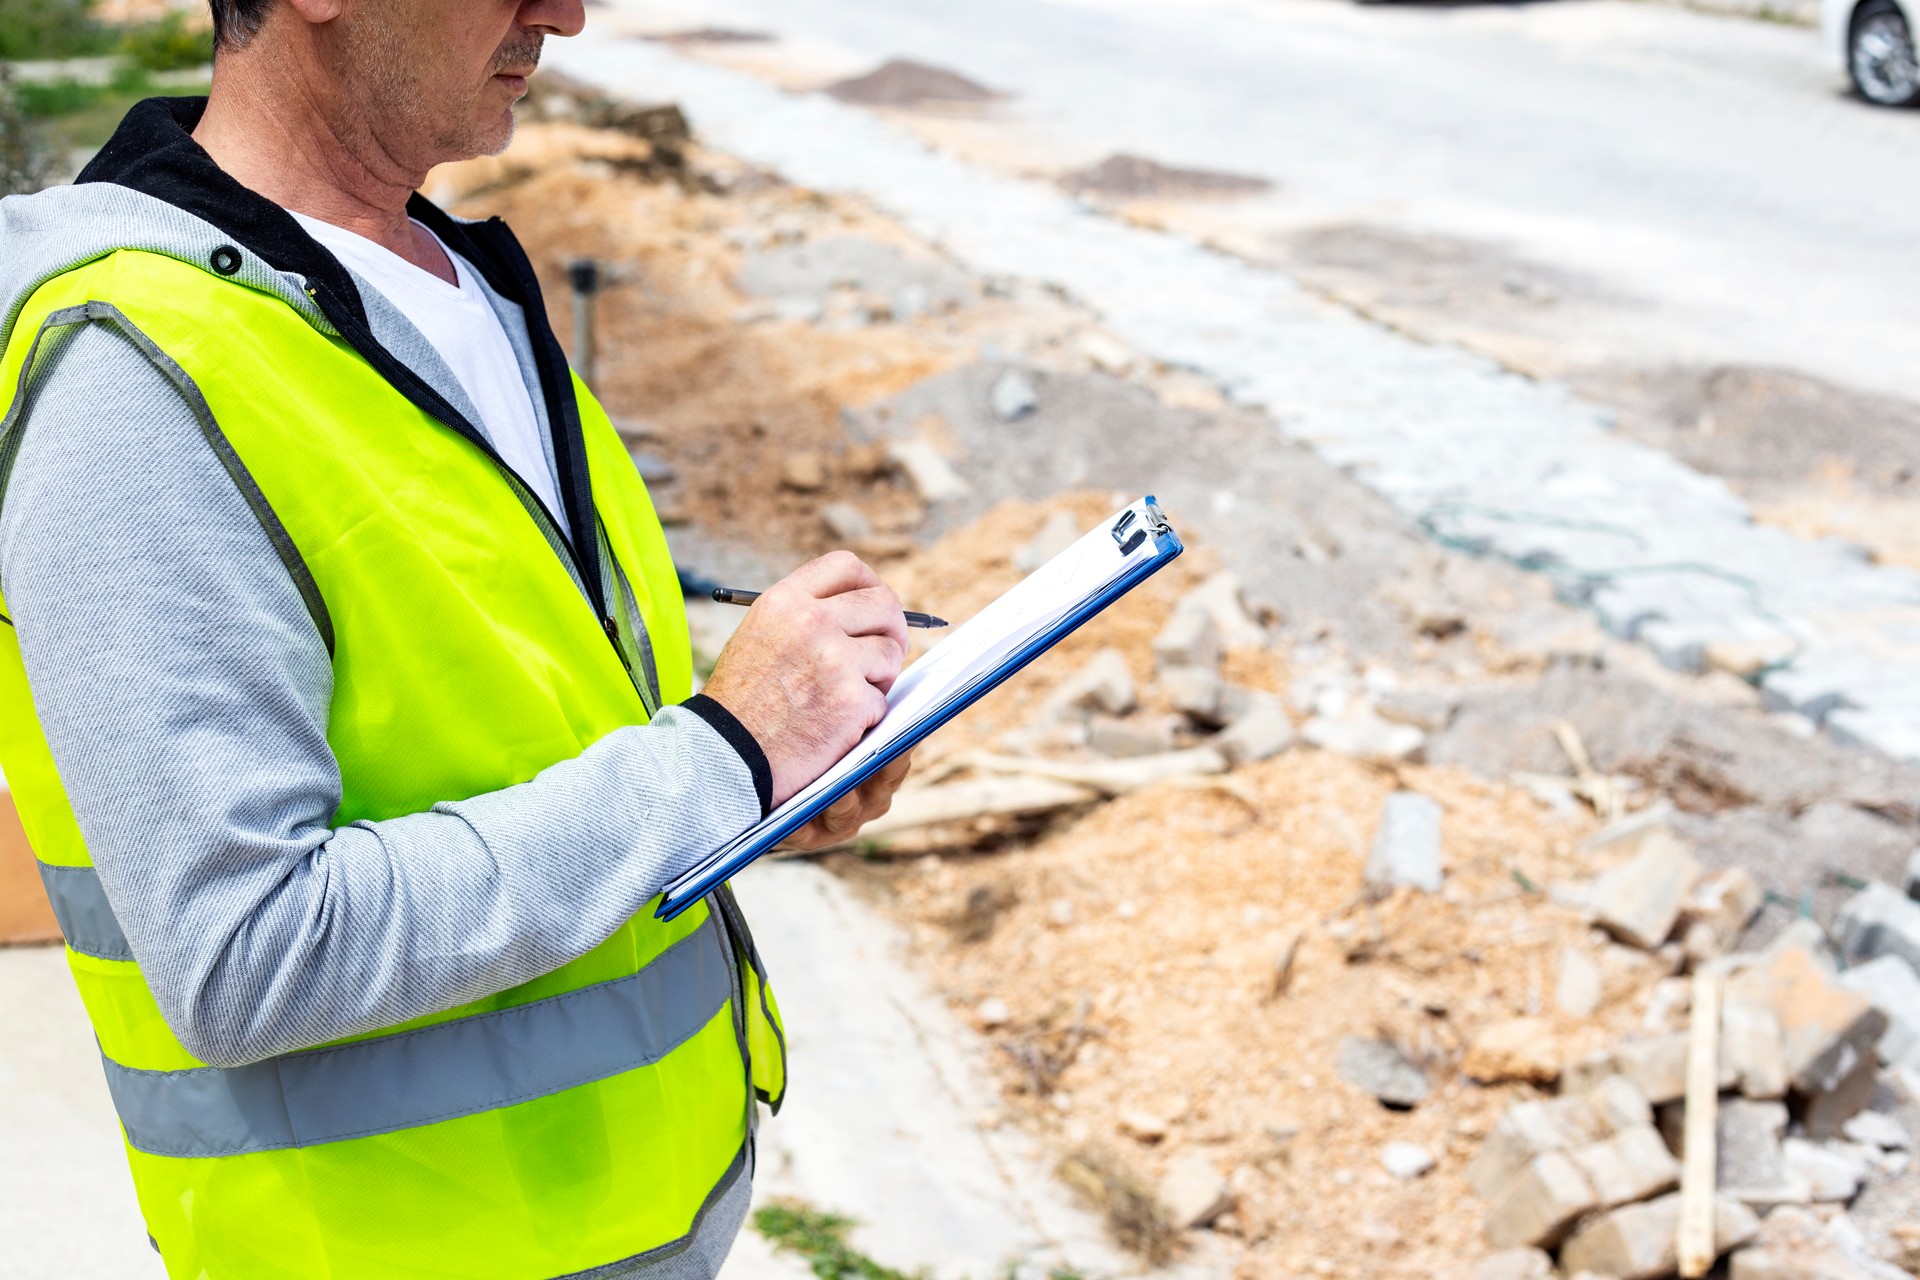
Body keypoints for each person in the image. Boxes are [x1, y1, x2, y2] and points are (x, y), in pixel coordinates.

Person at [0, 0, 916, 1275]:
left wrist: (761, 781)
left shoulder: (457, 283)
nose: (567, 12)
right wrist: (716, 755)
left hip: (641, 1213)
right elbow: (245, 954)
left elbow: (535, 730)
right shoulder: (133, 381)